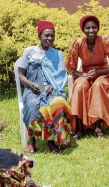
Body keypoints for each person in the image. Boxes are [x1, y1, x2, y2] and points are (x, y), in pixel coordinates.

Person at [16, 21, 74, 153]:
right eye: (46, 36)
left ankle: (52, 141)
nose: (49, 39)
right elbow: (20, 75)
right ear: (39, 36)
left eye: (52, 36)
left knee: (58, 103)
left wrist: (52, 86)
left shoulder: (57, 54)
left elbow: (60, 75)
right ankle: (32, 141)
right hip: (33, 90)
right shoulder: (29, 52)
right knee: (34, 104)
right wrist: (30, 84)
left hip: (53, 90)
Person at [66, 15, 109, 137]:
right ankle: (79, 128)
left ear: (98, 28)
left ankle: (97, 127)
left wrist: (99, 72)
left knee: (98, 85)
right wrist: (83, 74)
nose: (91, 30)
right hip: (85, 73)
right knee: (78, 86)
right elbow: (71, 67)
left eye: (94, 27)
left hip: (103, 73)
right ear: (83, 30)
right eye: (87, 28)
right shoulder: (78, 43)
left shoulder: (105, 41)